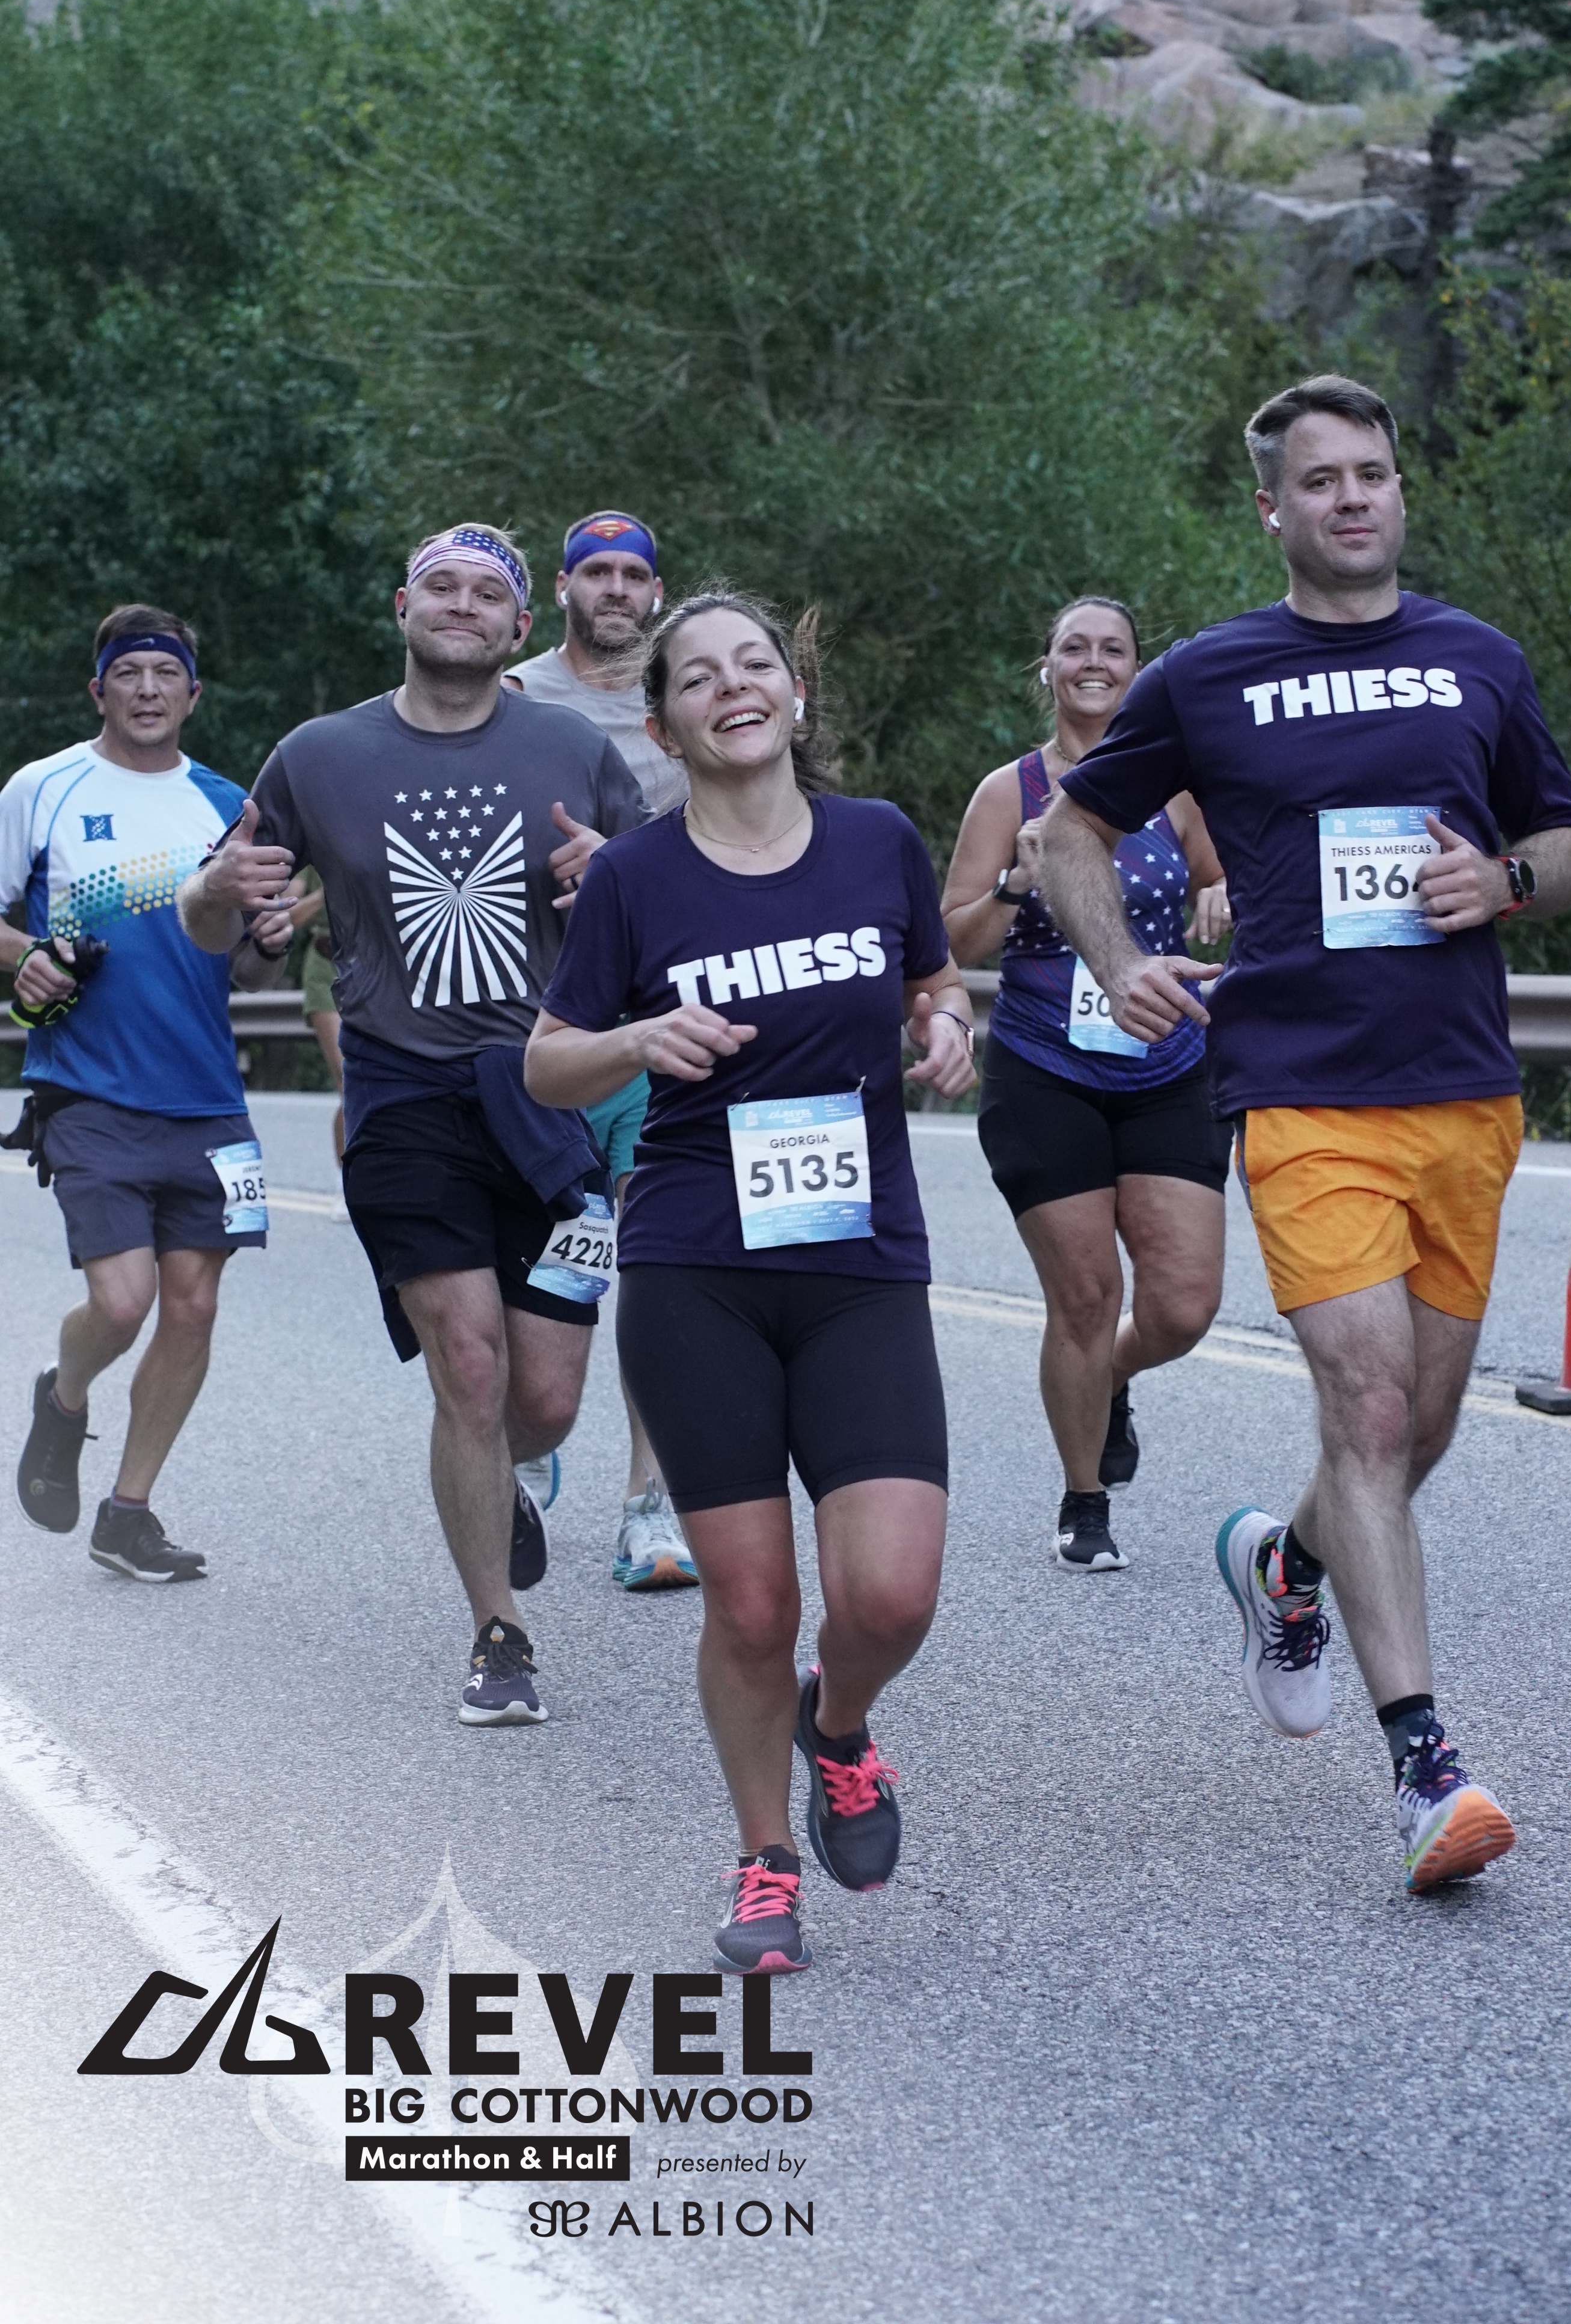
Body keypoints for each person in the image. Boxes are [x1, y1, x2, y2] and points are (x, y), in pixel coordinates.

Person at [1040, 374, 1571, 1893]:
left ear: (1398, 491)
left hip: (1462, 1088)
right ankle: (1427, 1763)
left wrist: (1507, 883)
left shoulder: (1477, 657)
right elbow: (1068, 828)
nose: (1351, 497)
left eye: (1371, 473)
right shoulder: (1209, 674)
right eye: (1321, 479)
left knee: (1414, 1433)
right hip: (1297, 1089)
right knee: (1365, 1403)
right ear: (1271, 509)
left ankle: (1285, 1564)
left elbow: (1566, 837)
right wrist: (1114, 958)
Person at [526, 592, 976, 1972]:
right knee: (753, 1604)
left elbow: (934, 978)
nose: (734, 685)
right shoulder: (635, 878)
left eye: (756, 663)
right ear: (663, 725)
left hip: (856, 1261)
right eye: (699, 676)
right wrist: (636, 1039)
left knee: (890, 1595)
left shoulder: (877, 840)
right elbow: (548, 1060)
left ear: (793, 692)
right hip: (697, 1267)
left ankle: (834, 1726)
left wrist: (947, 1024)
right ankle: (765, 1854)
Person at [179, 525, 645, 1724]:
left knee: (546, 1400)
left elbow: (661, 912)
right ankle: (499, 1631)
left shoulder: (574, 750)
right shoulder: (318, 754)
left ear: (520, 628)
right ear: (402, 606)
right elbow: (218, 921)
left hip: (545, 1095)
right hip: (402, 1094)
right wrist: (217, 895)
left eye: (488, 592)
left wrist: (618, 876)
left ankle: (506, 1474)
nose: (462, 603)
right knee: (469, 1362)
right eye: (441, 584)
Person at [942, 596, 1233, 1574]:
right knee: (1084, 1294)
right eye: (1076, 648)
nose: (1094, 662)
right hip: (1045, 1067)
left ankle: (1106, 1377)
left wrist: (1216, 889)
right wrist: (1016, 884)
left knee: (1183, 1305)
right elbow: (951, 941)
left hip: (1166, 1061)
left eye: (1113, 649)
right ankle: (1084, 1498)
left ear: (1137, 672)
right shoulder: (1009, 792)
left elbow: (1220, 876)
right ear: (1049, 667)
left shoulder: (1173, 788)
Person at [2, 607, 291, 1581]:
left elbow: (249, 970)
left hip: (208, 1097)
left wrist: (270, 939)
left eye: (167, 673)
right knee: (123, 1304)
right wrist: (28, 954)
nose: (149, 689)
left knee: (194, 1308)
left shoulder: (228, 806)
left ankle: (128, 1513)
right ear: (100, 690)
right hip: (86, 1085)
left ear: (194, 695)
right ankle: (64, 1393)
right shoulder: (42, 788)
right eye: (129, 673)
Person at [504, 509, 696, 1592]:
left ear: (655, 593)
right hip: (540, 1029)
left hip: (663, 1027)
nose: (615, 589)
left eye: (633, 574)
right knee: (548, 1260)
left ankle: (650, 1506)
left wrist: (621, 868)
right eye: (597, 573)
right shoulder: (516, 695)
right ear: (564, 588)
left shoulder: (691, 694)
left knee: (661, 1271)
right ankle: (529, 1436)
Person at [283, 866, 345, 1161]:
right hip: (325, 969)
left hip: (373, 969)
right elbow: (287, 916)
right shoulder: (315, 855)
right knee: (349, 1079)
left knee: (377, 1080)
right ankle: (348, 1177)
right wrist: (324, 894)